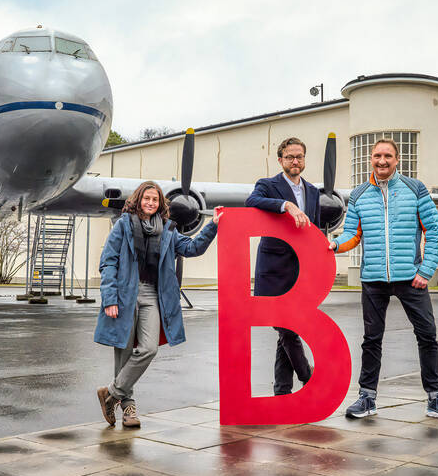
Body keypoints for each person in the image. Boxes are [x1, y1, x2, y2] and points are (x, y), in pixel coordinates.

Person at [329, 139, 438, 421]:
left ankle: (435, 399)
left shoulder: (416, 189)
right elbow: (352, 234)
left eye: (388, 155)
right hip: (373, 279)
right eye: (377, 155)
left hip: (410, 278)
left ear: (397, 159)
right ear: (371, 159)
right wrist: (333, 245)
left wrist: (425, 271)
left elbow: (434, 232)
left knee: (427, 335)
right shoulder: (359, 194)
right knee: (371, 339)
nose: (382, 161)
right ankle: (367, 398)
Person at [94, 181, 221, 427]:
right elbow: (108, 262)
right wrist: (109, 298)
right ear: (138, 200)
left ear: (161, 203)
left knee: (149, 348)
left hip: (153, 296)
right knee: (124, 352)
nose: (151, 203)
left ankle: (110, 393)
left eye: (155, 199)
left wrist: (212, 226)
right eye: (147, 198)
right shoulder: (123, 226)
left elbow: (193, 248)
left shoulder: (169, 230)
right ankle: (128, 408)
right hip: (125, 295)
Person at [245, 137, 320, 395]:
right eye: (289, 157)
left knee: (287, 332)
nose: (295, 161)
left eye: (299, 156)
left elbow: (315, 231)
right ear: (280, 160)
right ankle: (308, 377)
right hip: (273, 272)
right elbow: (251, 202)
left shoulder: (313, 191)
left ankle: (282, 391)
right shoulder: (267, 185)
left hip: (299, 273)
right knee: (286, 327)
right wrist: (285, 205)